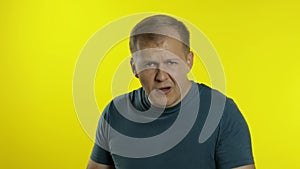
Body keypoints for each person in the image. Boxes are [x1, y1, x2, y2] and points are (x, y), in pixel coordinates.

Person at [87, 14, 255, 169]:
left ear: (189, 62)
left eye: (171, 62)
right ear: (134, 68)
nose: (161, 76)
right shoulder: (116, 112)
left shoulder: (221, 112)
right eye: (149, 64)